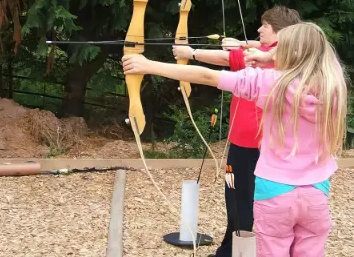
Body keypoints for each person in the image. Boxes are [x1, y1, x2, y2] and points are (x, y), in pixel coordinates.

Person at [122, 22, 345, 256]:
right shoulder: (333, 84)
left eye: (267, 28)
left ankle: (231, 249)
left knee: (246, 210)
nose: (261, 33)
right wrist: (267, 56)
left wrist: (153, 64)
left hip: (268, 181)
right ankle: (230, 245)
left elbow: (208, 74)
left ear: (288, 49)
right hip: (315, 190)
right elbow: (315, 58)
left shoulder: (268, 81)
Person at [171, 5, 301, 257]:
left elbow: (223, 60)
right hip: (247, 146)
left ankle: (237, 251)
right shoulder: (281, 55)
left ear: (280, 32)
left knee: (240, 199)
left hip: (250, 148)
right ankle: (234, 248)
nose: (260, 29)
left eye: (265, 25)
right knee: (237, 195)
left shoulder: (264, 56)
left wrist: (190, 52)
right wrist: (243, 42)